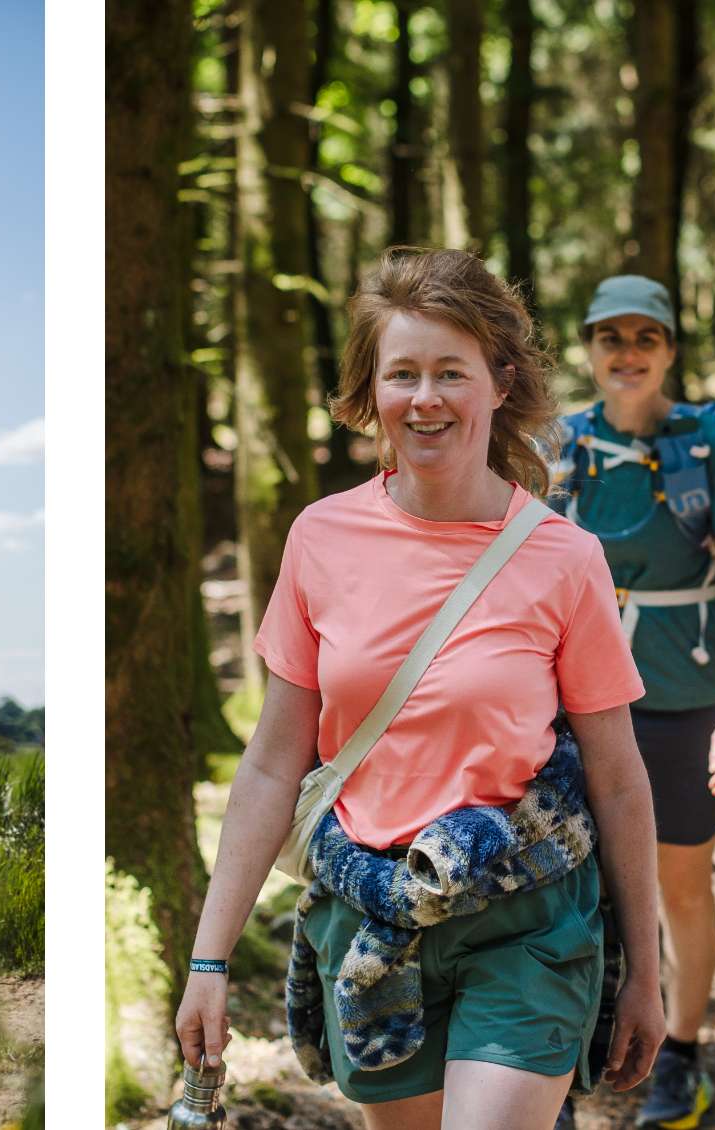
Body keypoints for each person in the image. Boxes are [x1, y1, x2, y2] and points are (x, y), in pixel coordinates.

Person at [174, 248, 665, 1130]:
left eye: (451, 372)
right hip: (369, 925)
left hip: (526, 922)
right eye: (401, 374)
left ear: (500, 382)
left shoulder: (564, 559)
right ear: (371, 391)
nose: (425, 398)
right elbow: (271, 765)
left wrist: (647, 975)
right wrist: (209, 962)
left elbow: (619, 776)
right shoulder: (320, 539)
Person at [549, 274, 715, 1129]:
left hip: (685, 699)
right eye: (612, 337)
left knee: (680, 883)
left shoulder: (713, 445)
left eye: (646, 337)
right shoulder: (559, 446)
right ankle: (564, 1062)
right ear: (590, 348)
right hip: (576, 706)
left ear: (671, 348)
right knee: (573, 886)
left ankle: (680, 1056)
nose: (627, 353)